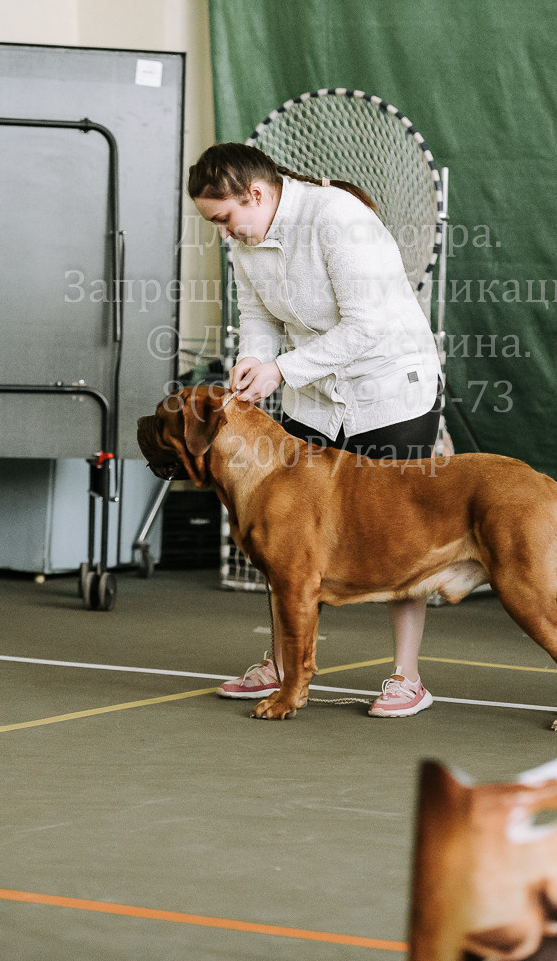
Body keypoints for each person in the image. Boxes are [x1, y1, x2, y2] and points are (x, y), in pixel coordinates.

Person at [187, 142, 444, 716]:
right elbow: (257, 317)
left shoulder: (337, 218)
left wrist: (281, 369)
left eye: (224, 219)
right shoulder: (245, 240)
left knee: (400, 535)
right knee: (288, 538)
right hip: (314, 398)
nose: (224, 233)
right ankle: (284, 665)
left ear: (256, 194)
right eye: (214, 225)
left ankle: (407, 677)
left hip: (390, 392)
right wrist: (254, 361)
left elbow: (366, 326)